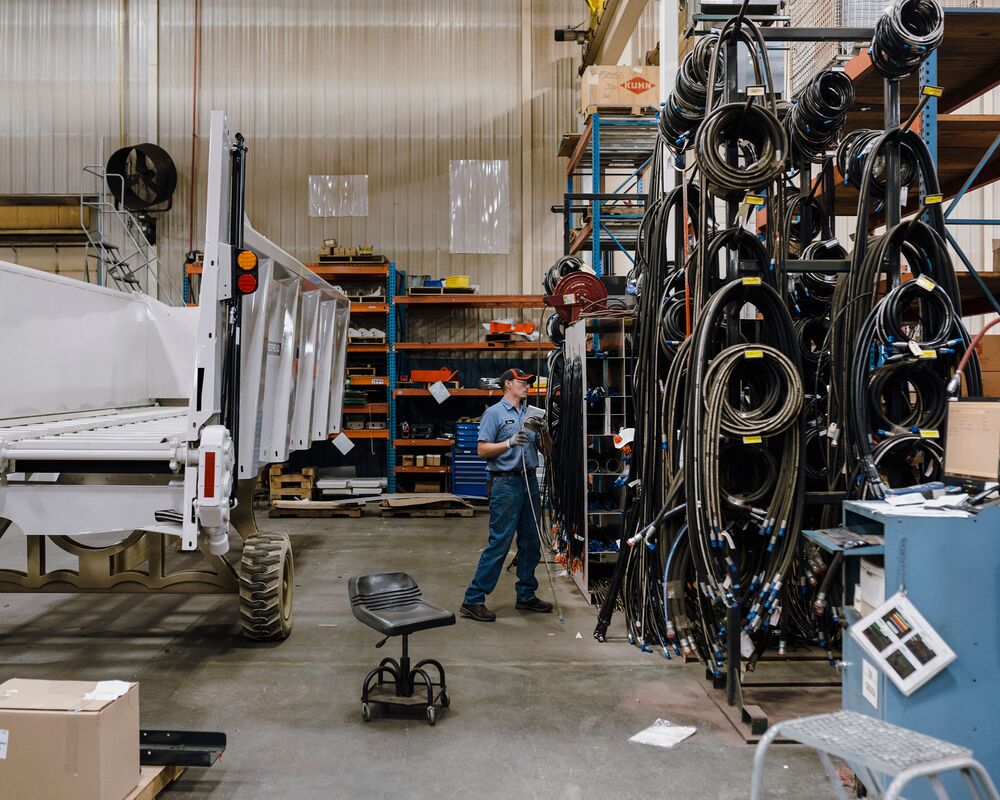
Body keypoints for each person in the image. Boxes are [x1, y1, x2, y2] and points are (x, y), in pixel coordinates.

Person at [460, 368, 553, 621]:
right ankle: (473, 599)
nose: (527, 386)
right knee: (500, 543)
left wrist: (544, 431)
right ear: (508, 384)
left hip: (529, 481)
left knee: (531, 542)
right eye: (523, 382)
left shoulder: (531, 414)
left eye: (528, 382)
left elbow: (548, 451)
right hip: (506, 485)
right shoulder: (494, 413)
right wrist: (509, 443)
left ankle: (526, 595)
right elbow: (482, 450)